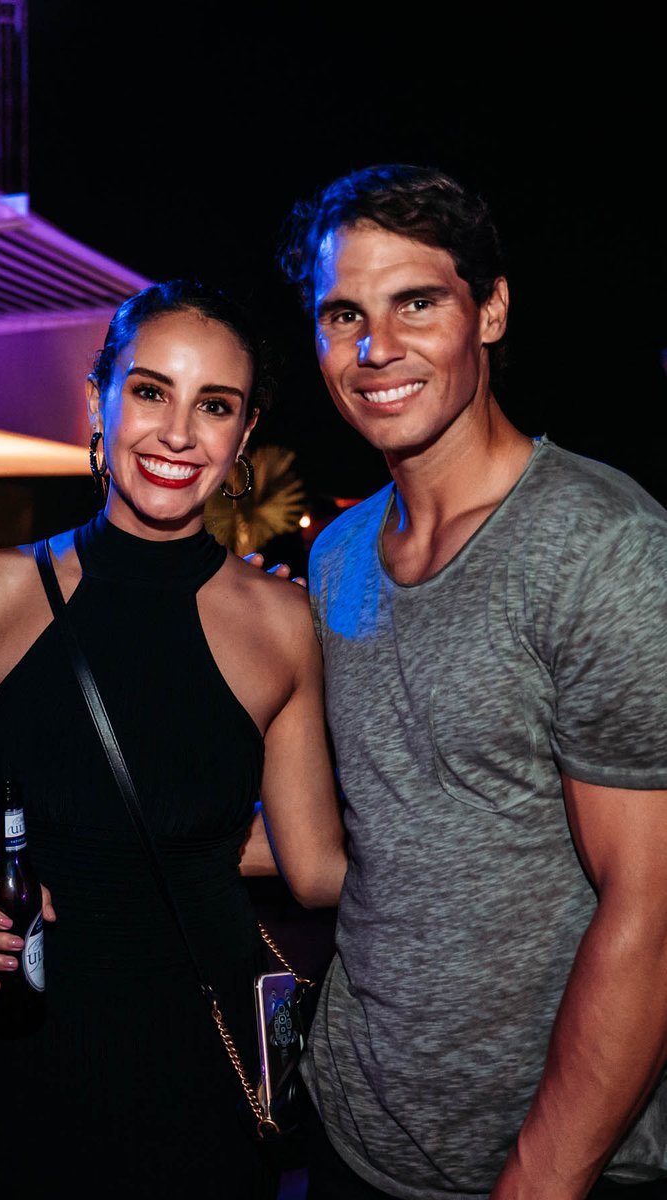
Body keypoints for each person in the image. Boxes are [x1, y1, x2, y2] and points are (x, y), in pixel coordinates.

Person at [279, 164, 667, 1199]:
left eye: (415, 303)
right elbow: (375, 831)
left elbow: (651, 913)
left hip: (540, 1161)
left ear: (489, 311)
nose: (374, 348)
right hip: (351, 1135)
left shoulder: (604, 549)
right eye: (342, 315)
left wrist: (538, 1178)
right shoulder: (338, 556)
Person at [0, 280, 347, 1199]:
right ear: (98, 401)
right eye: (151, 390)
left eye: (215, 406)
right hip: (25, 1040)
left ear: (243, 436)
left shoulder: (282, 622)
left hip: (204, 1051)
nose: (177, 433)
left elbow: (315, 866)